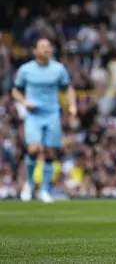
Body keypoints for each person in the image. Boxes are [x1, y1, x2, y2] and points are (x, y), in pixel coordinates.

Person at [13, 37, 76, 203]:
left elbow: (67, 88)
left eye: (49, 46)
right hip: (34, 115)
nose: (47, 49)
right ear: (35, 51)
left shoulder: (58, 69)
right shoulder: (26, 70)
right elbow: (15, 91)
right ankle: (29, 182)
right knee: (34, 148)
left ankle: (44, 190)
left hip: (52, 114)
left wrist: (72, 106)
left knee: (50, 152)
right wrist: (25, 102)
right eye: (43, 47)